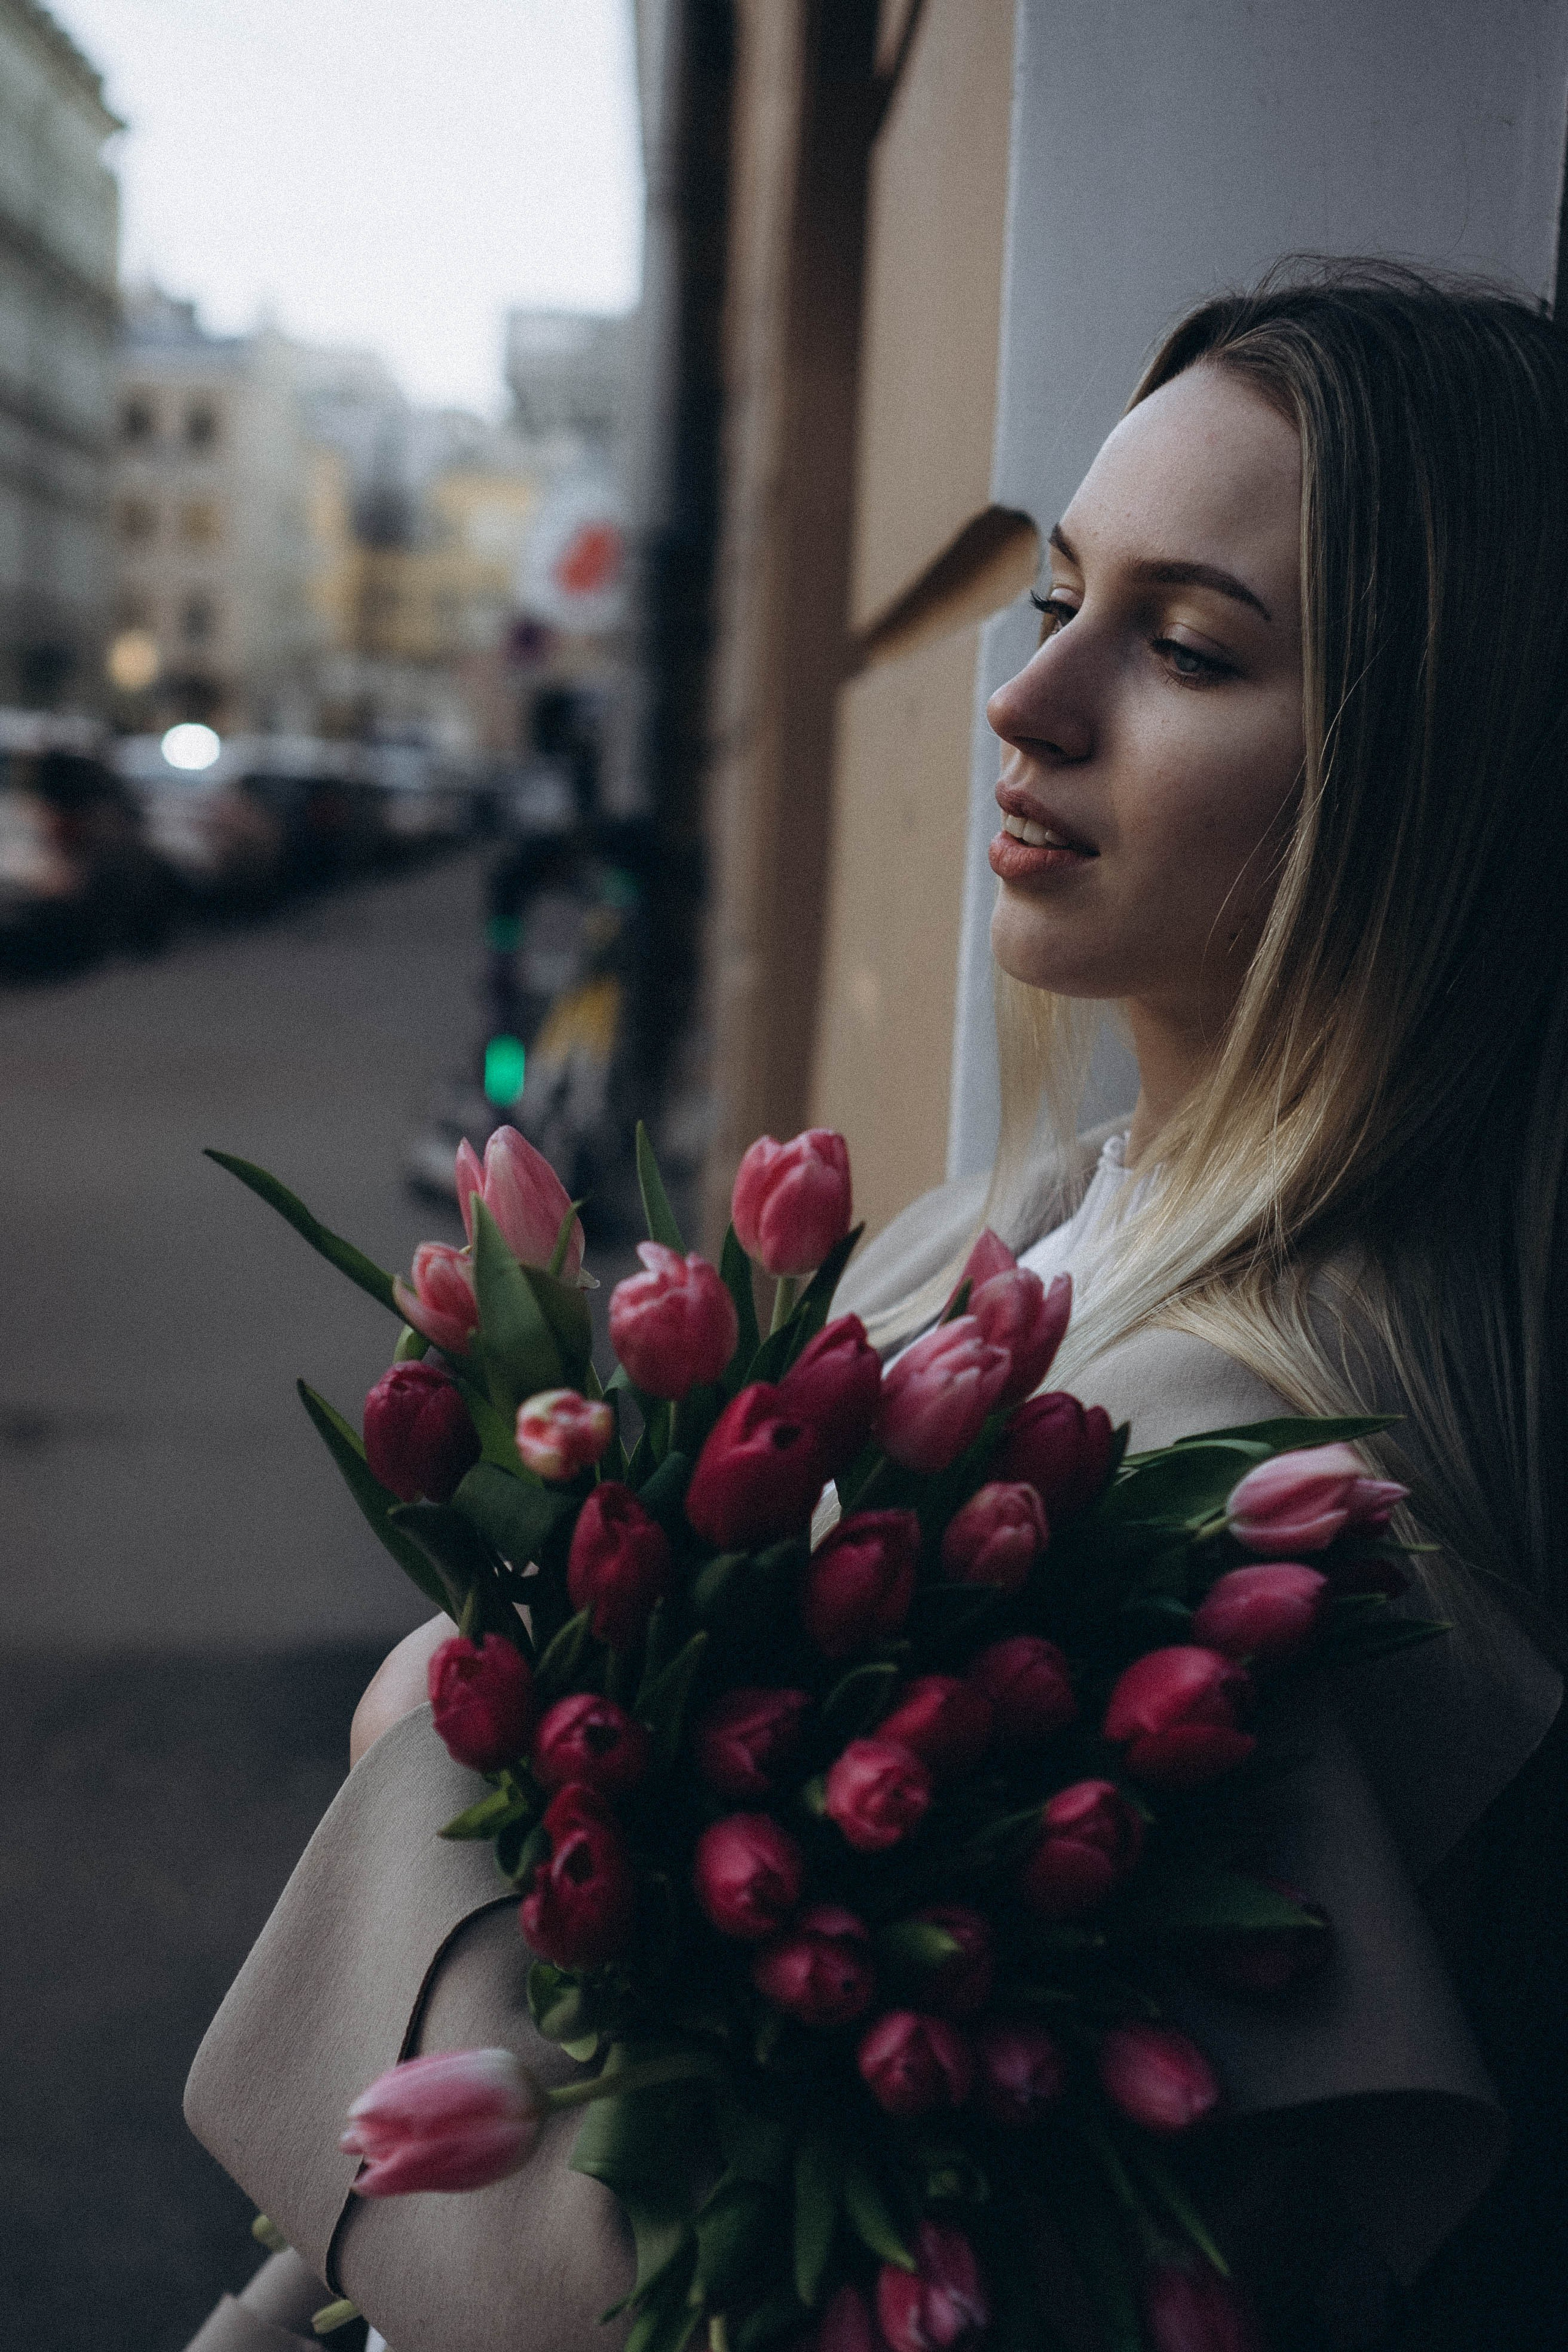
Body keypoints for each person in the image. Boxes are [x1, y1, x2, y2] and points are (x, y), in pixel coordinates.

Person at [178, 265, 1567, 2352]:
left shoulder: (1292, 1502)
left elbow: (705, 2296)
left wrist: (414, 1747)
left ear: (1439, 782)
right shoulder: (984, 1251)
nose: (1031, 699)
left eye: (1190, 647)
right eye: (1060, 596)